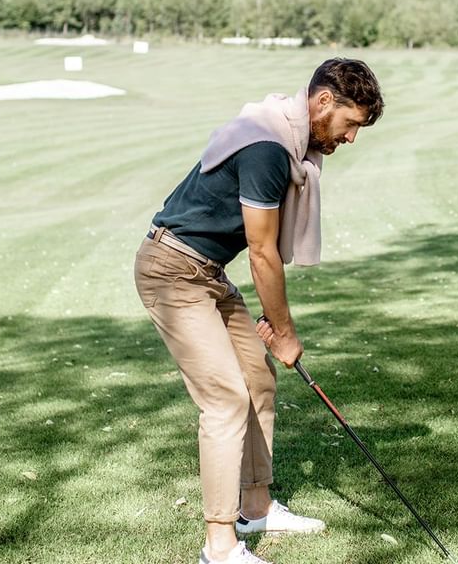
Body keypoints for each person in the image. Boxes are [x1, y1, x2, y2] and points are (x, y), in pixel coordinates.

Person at [134, 58, 384, 564]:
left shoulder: (285, 140)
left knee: (257, 379)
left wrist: (275, 329)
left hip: (208, 272)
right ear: (323, 102)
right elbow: (263, 251)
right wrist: (285, 331)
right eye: (351, 124)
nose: (350, 139)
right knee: (225, 399)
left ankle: (256, 507)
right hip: (172, 269)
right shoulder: (269, 148)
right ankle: (220, 546)